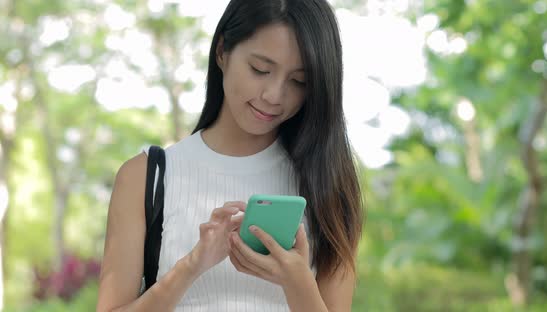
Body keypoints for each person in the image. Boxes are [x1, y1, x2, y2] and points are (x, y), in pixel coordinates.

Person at [96, 0, 363, 311]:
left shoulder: (327, 183)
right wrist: (192, 265)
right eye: (260, 69)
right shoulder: (145, 177)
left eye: (298, 81)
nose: (274, 96)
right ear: (222, 51)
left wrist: (297, 283)